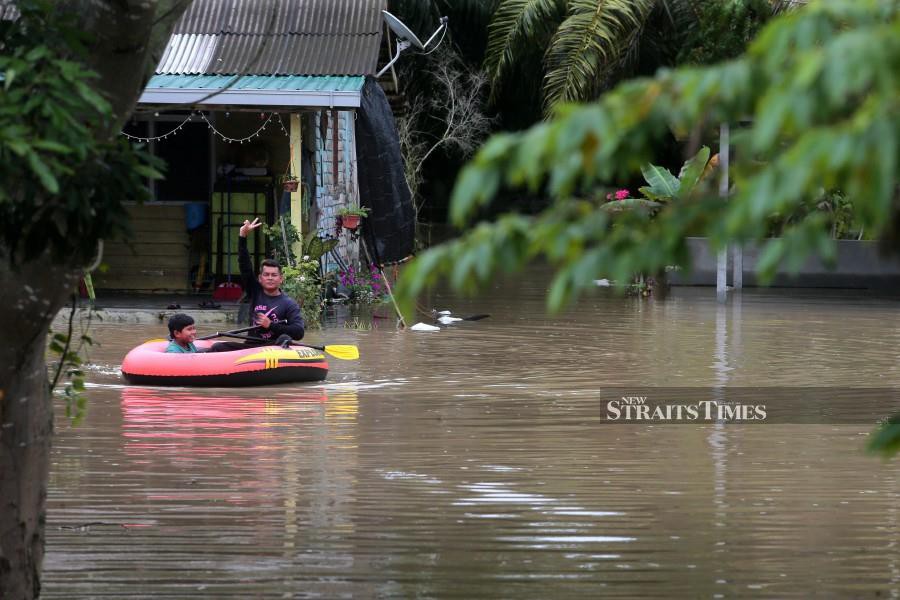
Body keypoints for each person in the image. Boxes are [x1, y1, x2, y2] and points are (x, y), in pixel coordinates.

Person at [210, 217, 305, 352]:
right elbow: (245, 267)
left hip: (274, 349)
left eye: (274, 275)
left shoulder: (289, 304)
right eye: (266, 275)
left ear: (281, 279)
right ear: (260, 278)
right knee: (217, 347)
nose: (270, 278)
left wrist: (271, 325)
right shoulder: (255, 291)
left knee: (285, 337)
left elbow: (299, 332)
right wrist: (242, 237)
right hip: (252, 347)